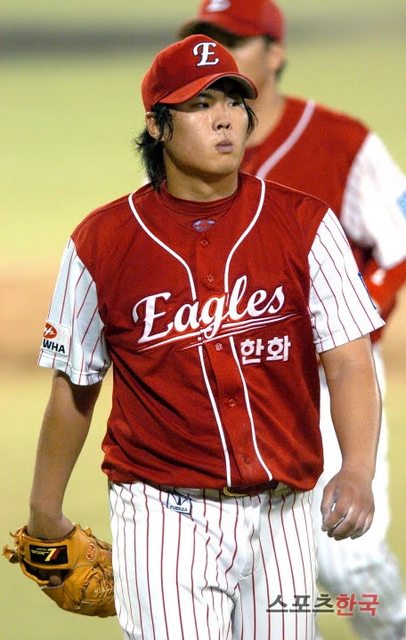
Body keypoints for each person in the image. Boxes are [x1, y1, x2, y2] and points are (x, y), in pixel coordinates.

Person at [29, 34, 384, 640]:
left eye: (232, 101)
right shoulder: (103, 242)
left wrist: (357, 469)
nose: (224, 118)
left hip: (285, 514)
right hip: (163, 515)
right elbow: (75, 385)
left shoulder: (305, 224)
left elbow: (349, 360)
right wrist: (44, 510)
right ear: (157, 126)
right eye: (198, 104)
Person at [178, 2, 406, 639]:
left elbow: (400, 243)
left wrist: (353, 326)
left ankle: (393, 626)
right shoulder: (182, 150)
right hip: (230, 391)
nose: (216, 53)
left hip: (332, 385)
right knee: (245, 577)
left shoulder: (340, 141)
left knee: (347, 563)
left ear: (275, 53)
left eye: (232, 40)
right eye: (204, 40)